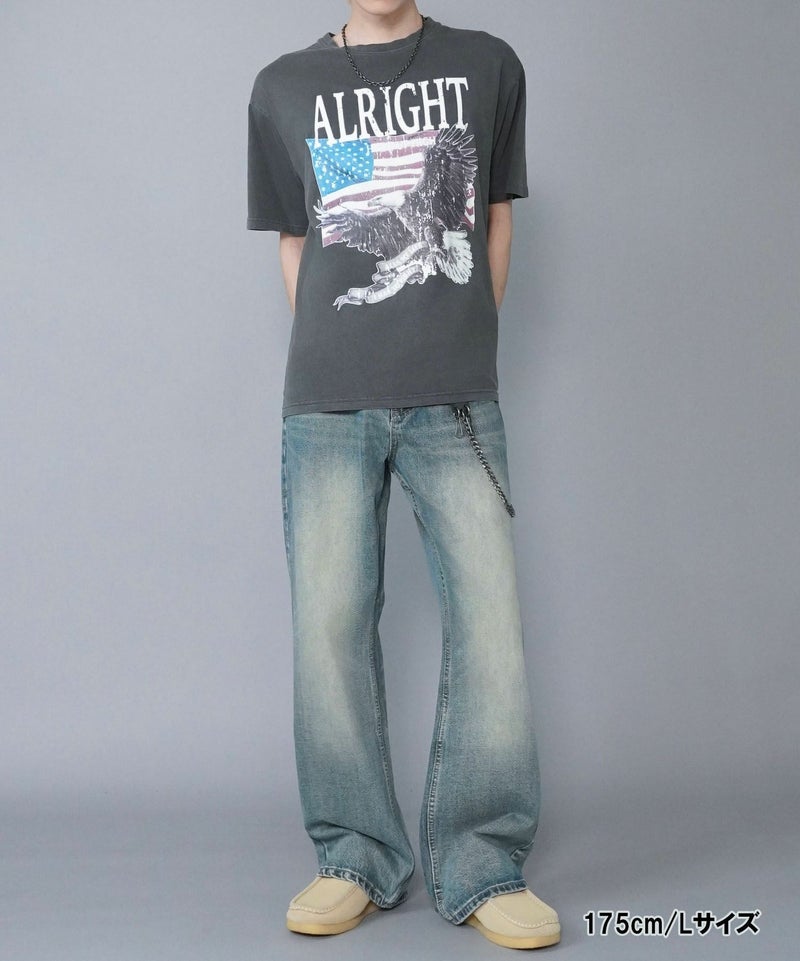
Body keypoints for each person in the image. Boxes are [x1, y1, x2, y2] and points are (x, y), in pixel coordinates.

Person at [247, 0, 560, 949]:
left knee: (490, 628)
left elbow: (493, 221)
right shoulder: (285, 87)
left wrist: (457, 348)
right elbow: (303, 241)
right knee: (331, 631)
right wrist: (347, 348)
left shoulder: (488, 66)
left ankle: (483, 860)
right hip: (327, 403)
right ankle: (353, 855)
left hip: (455, 399)